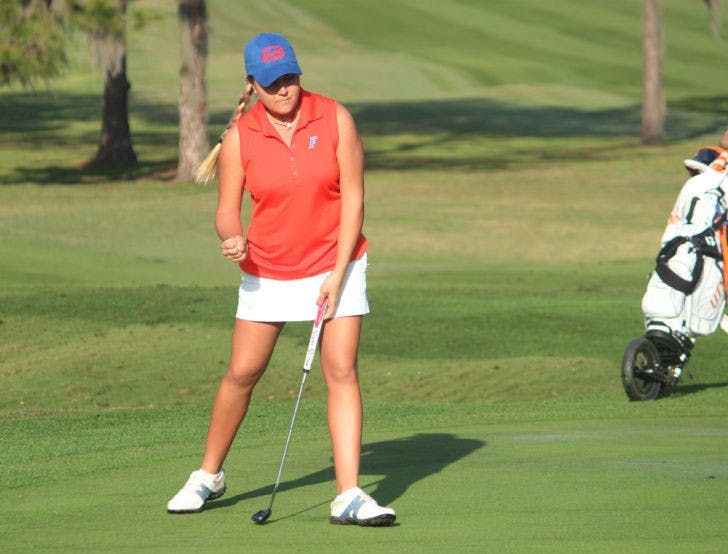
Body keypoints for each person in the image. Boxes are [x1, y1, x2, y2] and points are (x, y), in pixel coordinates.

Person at [166, 32, 396, 527]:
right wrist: (232, 240)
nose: (285, 90)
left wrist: (337, 275)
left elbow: (353, 200)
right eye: (272, 83)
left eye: (290, 77)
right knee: (243, 372)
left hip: (339, 262)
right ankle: (209, 475)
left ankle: (349, 494)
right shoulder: (240, 138)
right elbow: (228, 212)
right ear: (253, 84)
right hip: (268, 269)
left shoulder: (335, 118)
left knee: (341, 370)